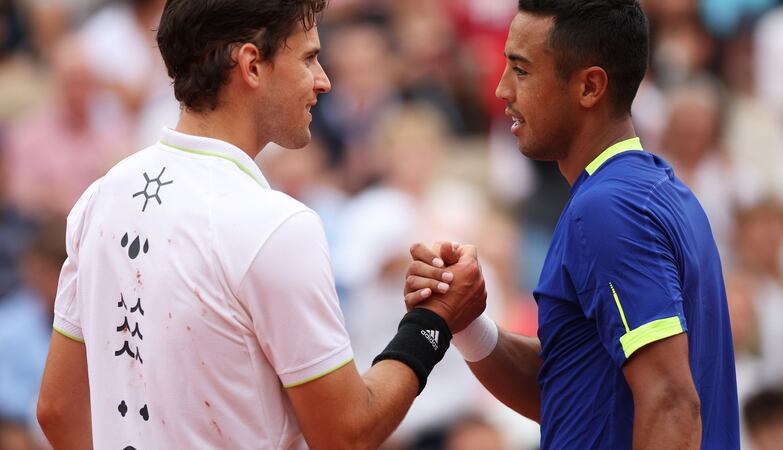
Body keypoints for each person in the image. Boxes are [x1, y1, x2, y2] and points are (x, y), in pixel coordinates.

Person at [35, 1, 486, 449]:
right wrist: (432, 323)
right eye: (309, 58)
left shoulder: (100, 197)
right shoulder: (276, 226)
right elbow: (347, 433)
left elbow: (57, 410)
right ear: (252, 65)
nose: (324, 80)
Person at [405, 0, 739, 448]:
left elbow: (671, 401)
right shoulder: (644, 193)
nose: (502, 90)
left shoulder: (609, 209)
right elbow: (572, 395)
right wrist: (465, 321)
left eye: (521, 70)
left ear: (589, 87)